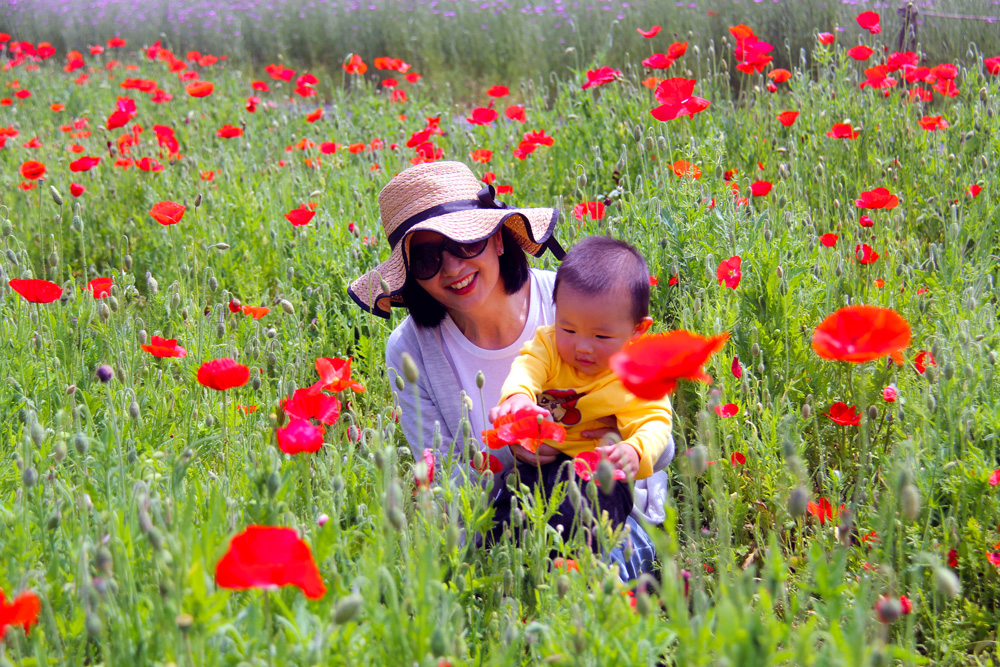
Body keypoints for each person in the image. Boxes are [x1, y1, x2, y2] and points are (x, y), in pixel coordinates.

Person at [348, 161, 671, 579]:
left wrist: (617, 443)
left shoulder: (573, 304)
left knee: (590, 579)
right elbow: (446, 481)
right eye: (427, 258)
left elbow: (662, 440)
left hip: (614, 508)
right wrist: (515, 446)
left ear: (497, 239)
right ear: (411, 275)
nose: (452, 268)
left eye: (464, 242)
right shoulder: (410, 350)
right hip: (509, 515)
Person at [485, 236, 673, 547]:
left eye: (601, 335)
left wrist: (635, 451)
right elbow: (527, 368)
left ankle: (578, 580)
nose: (582, 347)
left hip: (601, 474)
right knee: (509, 519)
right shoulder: (547, 344)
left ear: (637, 330)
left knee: (584, 525)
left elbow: (655, 422)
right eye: (568, 329)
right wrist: (518, 398)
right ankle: (502, 572)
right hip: (538, 466)